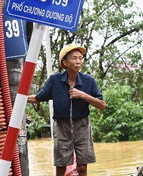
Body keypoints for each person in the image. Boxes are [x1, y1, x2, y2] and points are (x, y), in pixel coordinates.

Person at [28, 43, 106, 176]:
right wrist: (19, 98)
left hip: (82, 125)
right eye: (74, 58)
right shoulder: (55, 80)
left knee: (82, 166)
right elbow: (38, 98)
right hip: (61, 126)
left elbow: (101, 105)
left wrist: (82, 95)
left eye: (80, 58)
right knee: (61, 166)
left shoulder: (89, 81)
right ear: (65, 62)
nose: (78, 61)